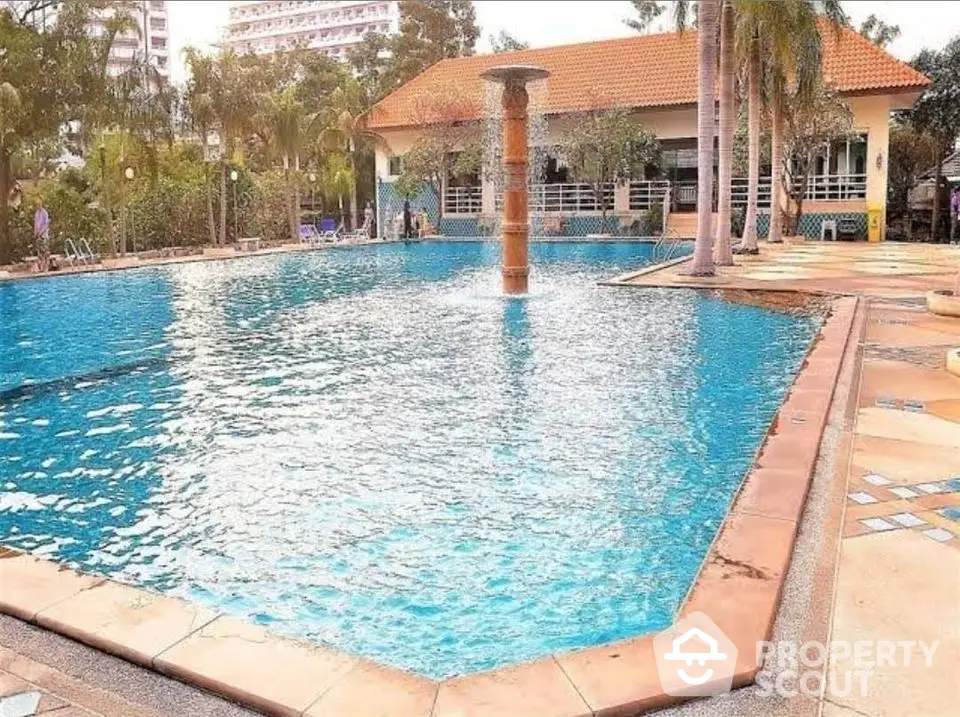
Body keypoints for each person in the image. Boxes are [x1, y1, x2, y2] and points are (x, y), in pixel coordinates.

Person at [33, 199, 50, 272]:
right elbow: (36, 223)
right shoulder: (37, 213)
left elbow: (46, 224)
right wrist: (35, 232)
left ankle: (46, 267)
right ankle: (41, 267)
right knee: (39, 251)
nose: (38, 206)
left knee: (45, 250)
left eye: (39, 204)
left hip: (43, 234)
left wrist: (41, 232)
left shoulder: (44, 213)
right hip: (38, 234)